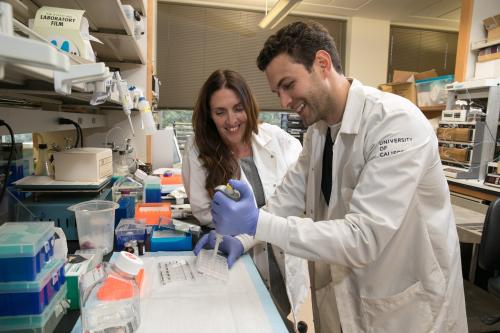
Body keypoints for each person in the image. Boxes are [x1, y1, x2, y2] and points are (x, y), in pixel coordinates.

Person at [209, 22, 468, 332]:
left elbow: (363, 237)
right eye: (278, 91)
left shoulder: (395, 123)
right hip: (345, 303)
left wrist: (256, 223)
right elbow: (284, 202)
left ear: (322, 64)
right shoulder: (318, 134)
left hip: (405, 311)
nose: (284, 102)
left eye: (288, 84)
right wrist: (238, 238)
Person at [181, 69, 309, 329]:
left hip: (285, 257)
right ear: (209, 115)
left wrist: (246, 229)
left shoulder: (281, 141)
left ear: (249, 106)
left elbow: (298, 203)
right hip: (236, 261)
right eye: (220, 112)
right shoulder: (198, 148)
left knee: (284, 320)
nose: (231, 121)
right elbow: (204, 212)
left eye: (237, 108)